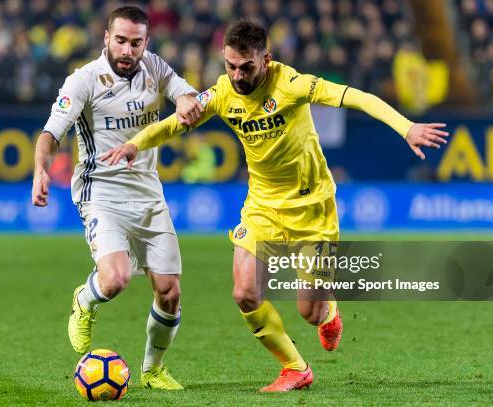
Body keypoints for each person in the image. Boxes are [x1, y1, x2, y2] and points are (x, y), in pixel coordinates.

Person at [101, 20, 449, 392]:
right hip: (262, 208)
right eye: (230, 66)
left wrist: (406, 127)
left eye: (246, 67)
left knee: (309, 312)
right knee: (244, 293)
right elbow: (176, 123)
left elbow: (356, 97)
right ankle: (295, 368)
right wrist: (136, 144)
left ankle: (328, 311)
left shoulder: (292, 84)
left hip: (312, 208)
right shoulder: (222, 93)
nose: (236, 75)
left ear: (265, 60)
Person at [31, 6, 204, 390]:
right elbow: (50, 133)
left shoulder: (154, 68)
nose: (128, 50)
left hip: (148, 195)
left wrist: (188, 99)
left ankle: (153, 370)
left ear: (146, 42)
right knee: (115, 279)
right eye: (121, 41)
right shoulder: (84, 81)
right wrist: (41, 168)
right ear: (106, 38)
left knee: (170, 293)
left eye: (136, 42)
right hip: (102, 193)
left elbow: (182, 91)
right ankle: (85, 301)